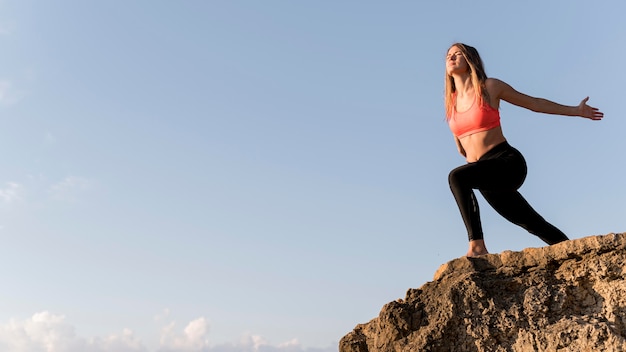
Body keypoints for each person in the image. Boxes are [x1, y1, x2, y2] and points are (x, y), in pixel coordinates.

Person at [444, 43, 603, 257]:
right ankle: (581, 256)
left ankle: (477, 246)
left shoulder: (489, 87)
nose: (451, 58)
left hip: (507, 162)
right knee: (533, 223)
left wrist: (576, 111)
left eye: (458, 54)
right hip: (484, 171)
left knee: (456, 178)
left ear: (471, 60)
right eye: (448, 55)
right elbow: (462, 139)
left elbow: (534, 103)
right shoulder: (451, 102)